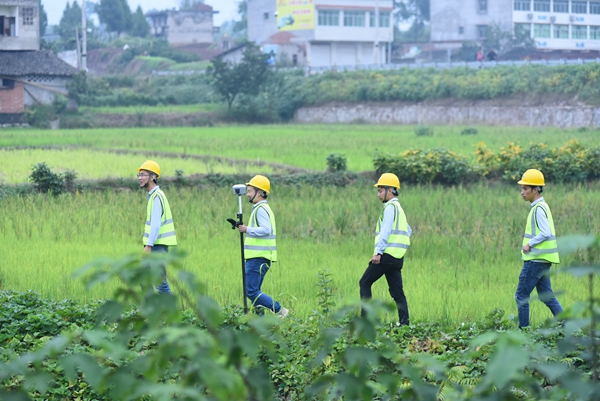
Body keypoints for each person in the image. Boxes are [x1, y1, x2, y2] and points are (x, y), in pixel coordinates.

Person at [359, 173, 411, 326]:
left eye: (380, 190)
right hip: (397, 258)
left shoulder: (389, 208)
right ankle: (404, 324)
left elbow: (385, 231)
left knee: (364, 282)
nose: (378, 194)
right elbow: (408, 230)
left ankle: (366, 321)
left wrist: (378, 252)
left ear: (390, 190)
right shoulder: (399, 208)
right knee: (397, 293)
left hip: (386, 255)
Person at [515, 169, 563, 329]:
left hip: (535, 261)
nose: (522, 192)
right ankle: (570, 328)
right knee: (547, 297)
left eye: (525, 189)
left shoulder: (538, 209)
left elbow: (545, 232)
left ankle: (524, 333)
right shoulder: (541, 206)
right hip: (542, 261)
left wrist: (530, 244)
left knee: (521, 295)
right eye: (522, 189)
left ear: (535, 190)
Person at [238, 175, 289, 318]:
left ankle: (279, 310)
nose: (247, 194)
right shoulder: (261, 208)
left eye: (249, 191)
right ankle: (259, 321)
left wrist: (247, 229)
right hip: (260, 257)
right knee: (256, 291)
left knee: (251, 291)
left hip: (258, 258)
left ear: (259, 192)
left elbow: (266, 229)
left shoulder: (261, 209)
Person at [138, 160, 177, 294]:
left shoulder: (157, 197)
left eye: (143, 175)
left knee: (160, 283)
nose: (140, 178)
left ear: (153, 177)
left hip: (157, 246)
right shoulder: (153, 196)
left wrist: (148, 246)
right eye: (139, 175)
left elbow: (155, 224)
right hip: (153, 245)